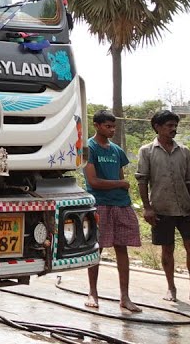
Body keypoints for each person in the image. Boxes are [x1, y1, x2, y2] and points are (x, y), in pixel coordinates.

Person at [136, 110, 190, 305]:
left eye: (175, 125)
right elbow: (142, 181)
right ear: (157, 127)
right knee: (167, 249)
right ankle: (171, 287)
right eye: (169, 125)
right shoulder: (146, 151)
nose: (173, 129)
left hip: (185, 208)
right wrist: (147, 207)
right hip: (161, 208)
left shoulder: (184, 151)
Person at [83, 110, 142, 312]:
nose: (112, 130)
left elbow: (120, 177)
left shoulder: (116, 150)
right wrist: (120, 183)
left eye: (113, 126)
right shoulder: (89, 148)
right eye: (108, 126)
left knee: (122, 248)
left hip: (121, 204)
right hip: (100, 203)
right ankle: (92, 291)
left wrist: (120, 184)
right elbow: (93, 181)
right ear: (97, 125)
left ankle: (125, 297)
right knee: (96, 249)